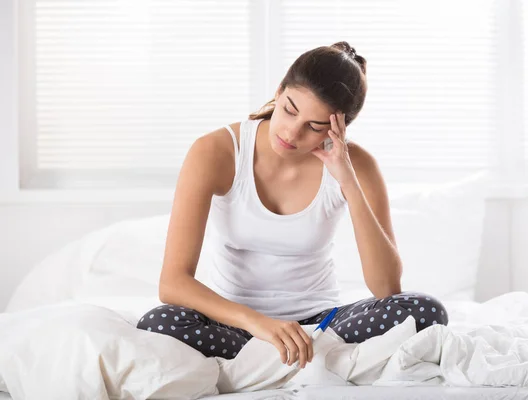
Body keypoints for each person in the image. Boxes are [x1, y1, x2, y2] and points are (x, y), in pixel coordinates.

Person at [137, 41, 448, 369]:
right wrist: (261, 324)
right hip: (237, 324)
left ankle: (275, 360)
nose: (291, 132)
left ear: (338, 128)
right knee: (159, 324)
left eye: (315, 126)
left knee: (425, 311)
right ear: (279, 90)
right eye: (289, 109)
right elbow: (172, 283)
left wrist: (347, 180)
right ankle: (309, 362)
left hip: (323, 325)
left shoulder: (358, 166)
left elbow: (387, 288)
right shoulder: (215, 151)